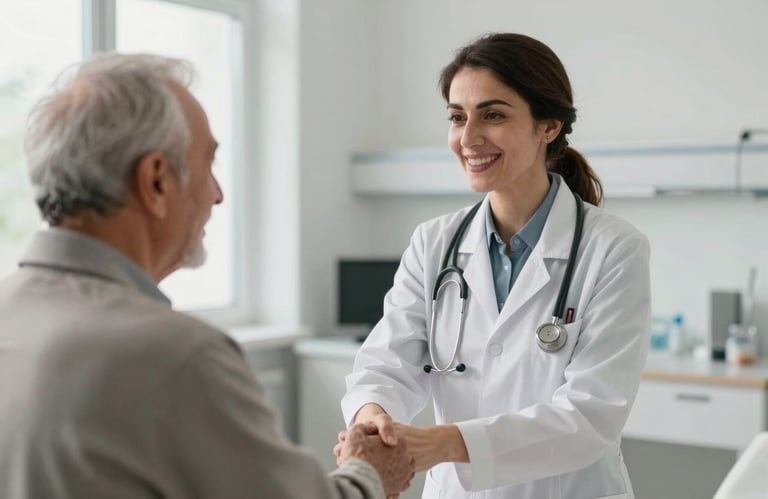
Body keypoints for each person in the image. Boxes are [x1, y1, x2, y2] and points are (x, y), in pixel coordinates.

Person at [0, 52, 414, 499]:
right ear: (156, 181)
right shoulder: (176, 356)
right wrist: (370, 474)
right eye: (208, 164)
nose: (217, 195)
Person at [337, 33, 651, 499]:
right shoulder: (434, 243)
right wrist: (374, 422)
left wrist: (439, 443)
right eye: (457, 117)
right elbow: (385, 363)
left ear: (548, 125)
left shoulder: (613, 249)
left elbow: (591, 415)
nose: (468, 138)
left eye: (493, 115)